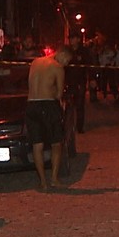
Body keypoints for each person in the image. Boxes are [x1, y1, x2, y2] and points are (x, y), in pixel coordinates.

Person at [26, 46, 73, 189]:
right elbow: (59, 93)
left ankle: (42, 181)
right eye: (67, 61)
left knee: (37, 144)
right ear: (62, 54)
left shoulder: (35, 62)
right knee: (56, 143)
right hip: (48, 105)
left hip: (31, 104)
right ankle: (54, 178)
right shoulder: (57, 67)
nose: (66, 64)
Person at [65, 35, 92, 133]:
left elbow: (89, 64)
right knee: (68, 104)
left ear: (78, 39)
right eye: (70, 38)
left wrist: (92, 79)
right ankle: (68, 125)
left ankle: (79, 127)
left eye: (73, 38)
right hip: (69, 80)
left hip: (80, 80)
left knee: (80, 104)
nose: (71, 40)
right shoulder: (67, 51)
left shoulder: (84, 51)